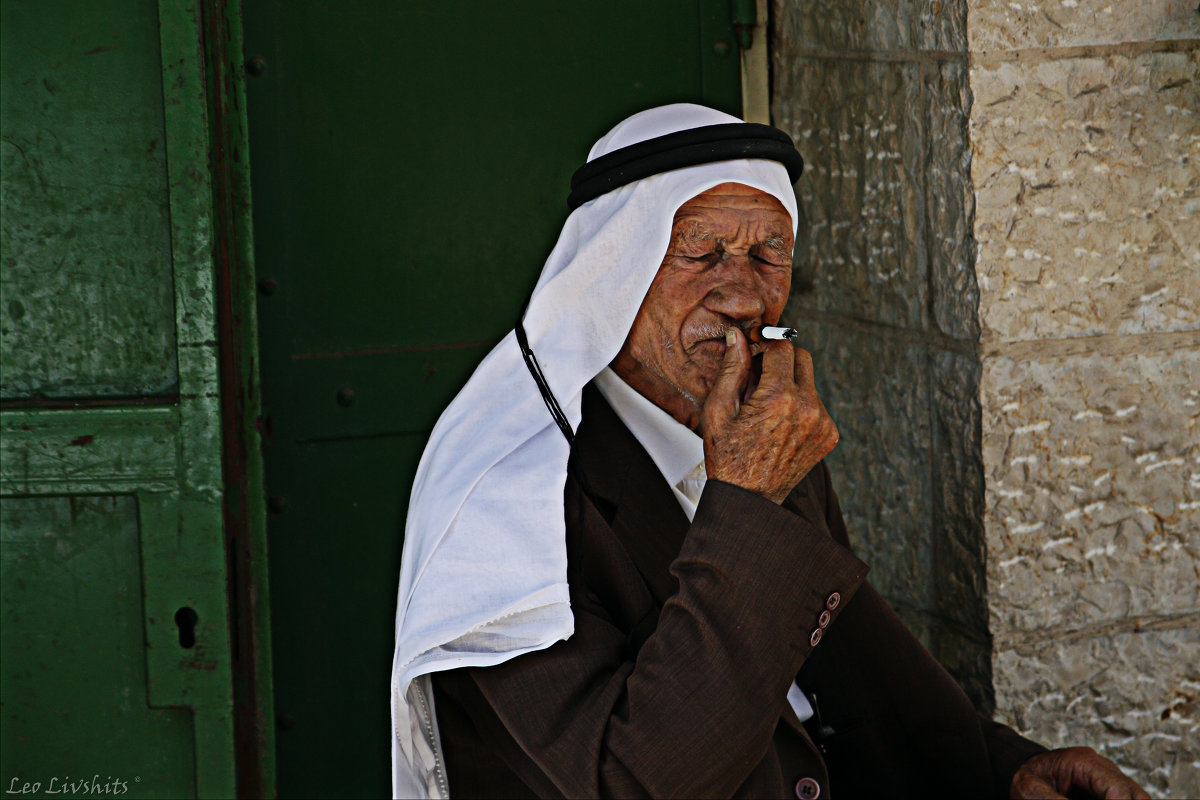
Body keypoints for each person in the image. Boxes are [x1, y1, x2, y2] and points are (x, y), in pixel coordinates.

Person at [390, 104, 1147, 799]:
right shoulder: (505, 499)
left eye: (768, 256)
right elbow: (636, 781)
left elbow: (858, 680)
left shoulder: (762, 436)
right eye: (703, 253)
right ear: (609, 278)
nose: (746, 297)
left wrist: (1004, 772)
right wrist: (745, 503)